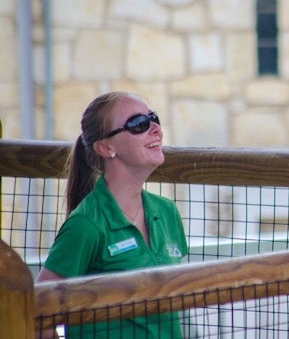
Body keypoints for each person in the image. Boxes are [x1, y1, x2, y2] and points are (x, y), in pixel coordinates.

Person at [36, 92, 188, 338]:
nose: (156, 129)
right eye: (139, 124)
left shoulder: (167, 212)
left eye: (154, 118)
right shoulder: (86, 224)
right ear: (106, 147)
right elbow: (37, 309)